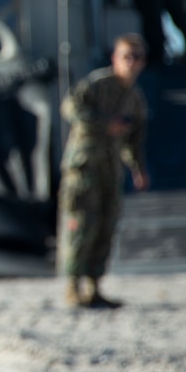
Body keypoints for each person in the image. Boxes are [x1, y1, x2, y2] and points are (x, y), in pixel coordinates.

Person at [57, 32, 150, 309]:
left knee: (105, 226)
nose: (131, 63)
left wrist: (138, 168)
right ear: (115, 59)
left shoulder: (134, 98)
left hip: (110, 168)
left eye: (136, 57)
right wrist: (104, 124)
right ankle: (73, 286)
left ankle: (94, 286)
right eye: (126, 57)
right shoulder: (98, 85)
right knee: (81, 224)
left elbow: (135, 137)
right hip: (84, 167)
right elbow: (71, 107)